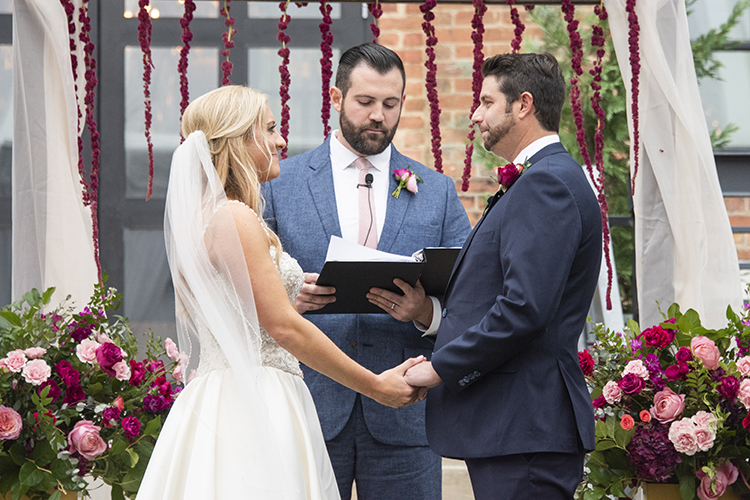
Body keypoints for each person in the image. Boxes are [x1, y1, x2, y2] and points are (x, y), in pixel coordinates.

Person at [137, 85, 426, 500]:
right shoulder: (234, 217)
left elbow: (244, 316)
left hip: (229, 393)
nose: (280, 140)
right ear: (238, 138)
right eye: (270, 128)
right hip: (253, 402)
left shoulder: (209, 217)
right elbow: (283, 328)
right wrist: (375, 385)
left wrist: (289, 296)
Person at [263, 43, 470, 499]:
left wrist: (425, 312)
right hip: (305, 408)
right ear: (336, 99)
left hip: (405, 413)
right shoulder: (279, 184)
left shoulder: (435, 191)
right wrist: (289, 299)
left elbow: (472, 294)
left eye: (390, 104)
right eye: (365, 102)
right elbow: (247, 289)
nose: (378, 115)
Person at [404, 52, 602, 499]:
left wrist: (439, 367)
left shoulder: (545, 184)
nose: (475, 115)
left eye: (487, 102)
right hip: (515, 428)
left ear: (523, 105)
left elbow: (523, 309)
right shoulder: (539, 179)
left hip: (524, 427)